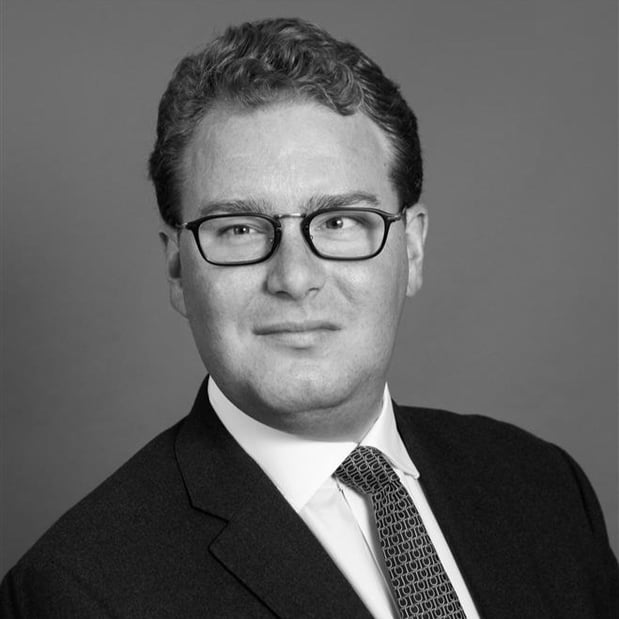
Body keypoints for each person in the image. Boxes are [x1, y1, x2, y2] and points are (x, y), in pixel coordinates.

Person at [1, 17, 617, 619]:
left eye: (340, 222)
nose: (294, 278)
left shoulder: (543, 487)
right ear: (177, 271)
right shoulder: (74, 593)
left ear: (412, 249)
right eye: (240, 229)